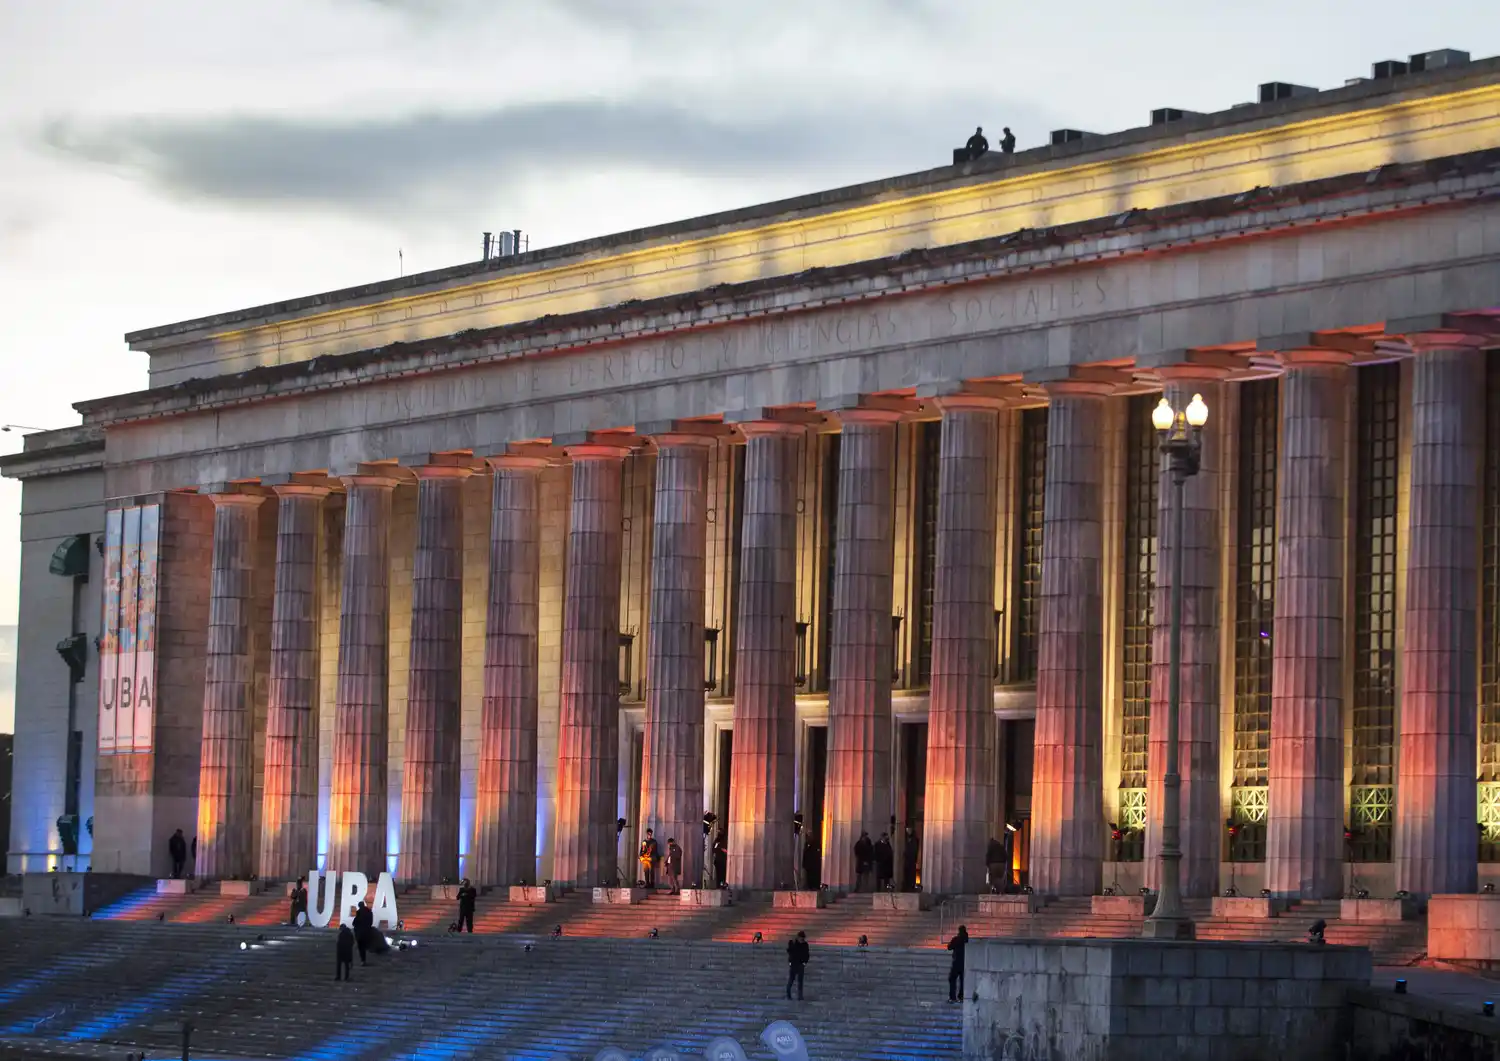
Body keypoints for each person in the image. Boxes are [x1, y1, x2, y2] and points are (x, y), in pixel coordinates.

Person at [947, 924, 969, 1004]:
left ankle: (952, 997)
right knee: (962, 981)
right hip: (965, 963)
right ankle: (961, 997)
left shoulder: (956, 939)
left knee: (952, 979)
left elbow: (949, 947)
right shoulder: (967, 940)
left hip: (956, 963)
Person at [786, 930, 811, 1001]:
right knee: (791, 980)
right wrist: (790, 962)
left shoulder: (805, 944)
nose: (802, 940)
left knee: (800, 981)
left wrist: (804, 963)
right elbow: (789, 951)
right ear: (798, 937)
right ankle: (788, 994)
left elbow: (807, 954)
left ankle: (800, 996)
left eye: (803, 939)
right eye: (801, 938)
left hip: (800, 965)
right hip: (793, 964)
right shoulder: (792, 942)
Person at [352, 900, 375, 965]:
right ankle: (363, 960)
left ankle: (363, 960)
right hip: (367, 932)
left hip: (360, 933)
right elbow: (371, 922)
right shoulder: (369, 911)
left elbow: (354, 923)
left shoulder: (359, 912)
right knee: (364, 946)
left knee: (361, 947)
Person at [902, 826, 920, 892]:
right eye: (907, 830)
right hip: (906, 860)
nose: (908, 831)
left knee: (911, 874)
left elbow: (914, 850)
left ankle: (911, 887)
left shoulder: (915, 840)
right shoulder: (905, 839)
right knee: (906, 874)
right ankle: (906, 886)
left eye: (909, 830)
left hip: (911, 860)